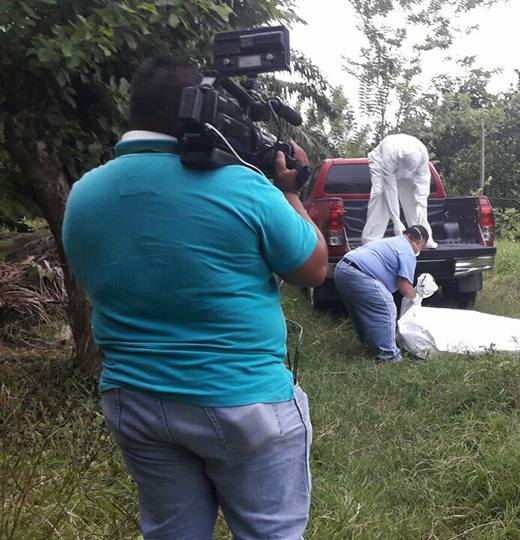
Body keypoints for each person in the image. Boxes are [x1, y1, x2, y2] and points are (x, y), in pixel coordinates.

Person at [61, 57, 328, 540]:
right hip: (243, 401)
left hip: (135, 400)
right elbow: (312, 269)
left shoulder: (83, 195)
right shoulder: (244, 187)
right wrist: (290, 193)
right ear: (204, 112)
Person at [335, 225, 429, 362]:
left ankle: (369, 345)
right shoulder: (407, 251)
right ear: (419, 242)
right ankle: (389, 357)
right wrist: (417, 300)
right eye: (423, 246)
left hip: (342, 269)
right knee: (386, 308)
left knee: (361, 312)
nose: (421, 250)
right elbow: (404, 286)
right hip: (359, 273)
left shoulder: (393, 242)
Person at [360, 133, 438, 248]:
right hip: (380, 161)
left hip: (405, 167)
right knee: (380, 194)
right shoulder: (389, 153)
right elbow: (390, 190)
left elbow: (423, 182)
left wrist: (420, 203)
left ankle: (422, 237)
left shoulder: (422, 154)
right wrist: (396, 220)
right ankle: (371, 239)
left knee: (416, 203)